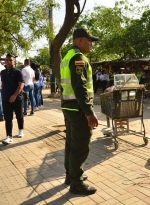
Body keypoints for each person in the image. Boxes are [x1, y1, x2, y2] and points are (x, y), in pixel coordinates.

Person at [60, 28, 99, 195]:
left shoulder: (67, 56)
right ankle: (76, 183)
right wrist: (89, 112)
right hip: (78, 109)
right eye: (89, 40)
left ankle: (71, 175)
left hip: (68, 107)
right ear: (79, 40)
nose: (91, 44)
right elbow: (80, 87)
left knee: (71, 143)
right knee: (80, 145)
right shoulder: (78, 58)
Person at [0, 54, 24, 145]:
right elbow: (3, 84)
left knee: (19, 115)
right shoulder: (2, 72)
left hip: (17, 98)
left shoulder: (18, 72)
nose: (8, 62)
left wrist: (14, 95)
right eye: (7, 60)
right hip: (6, 98)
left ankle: (20, 130)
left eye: (10, 60)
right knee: (8, 118)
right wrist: (3, 94)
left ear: (14, 61)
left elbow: (21, 84)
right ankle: (9, 136)